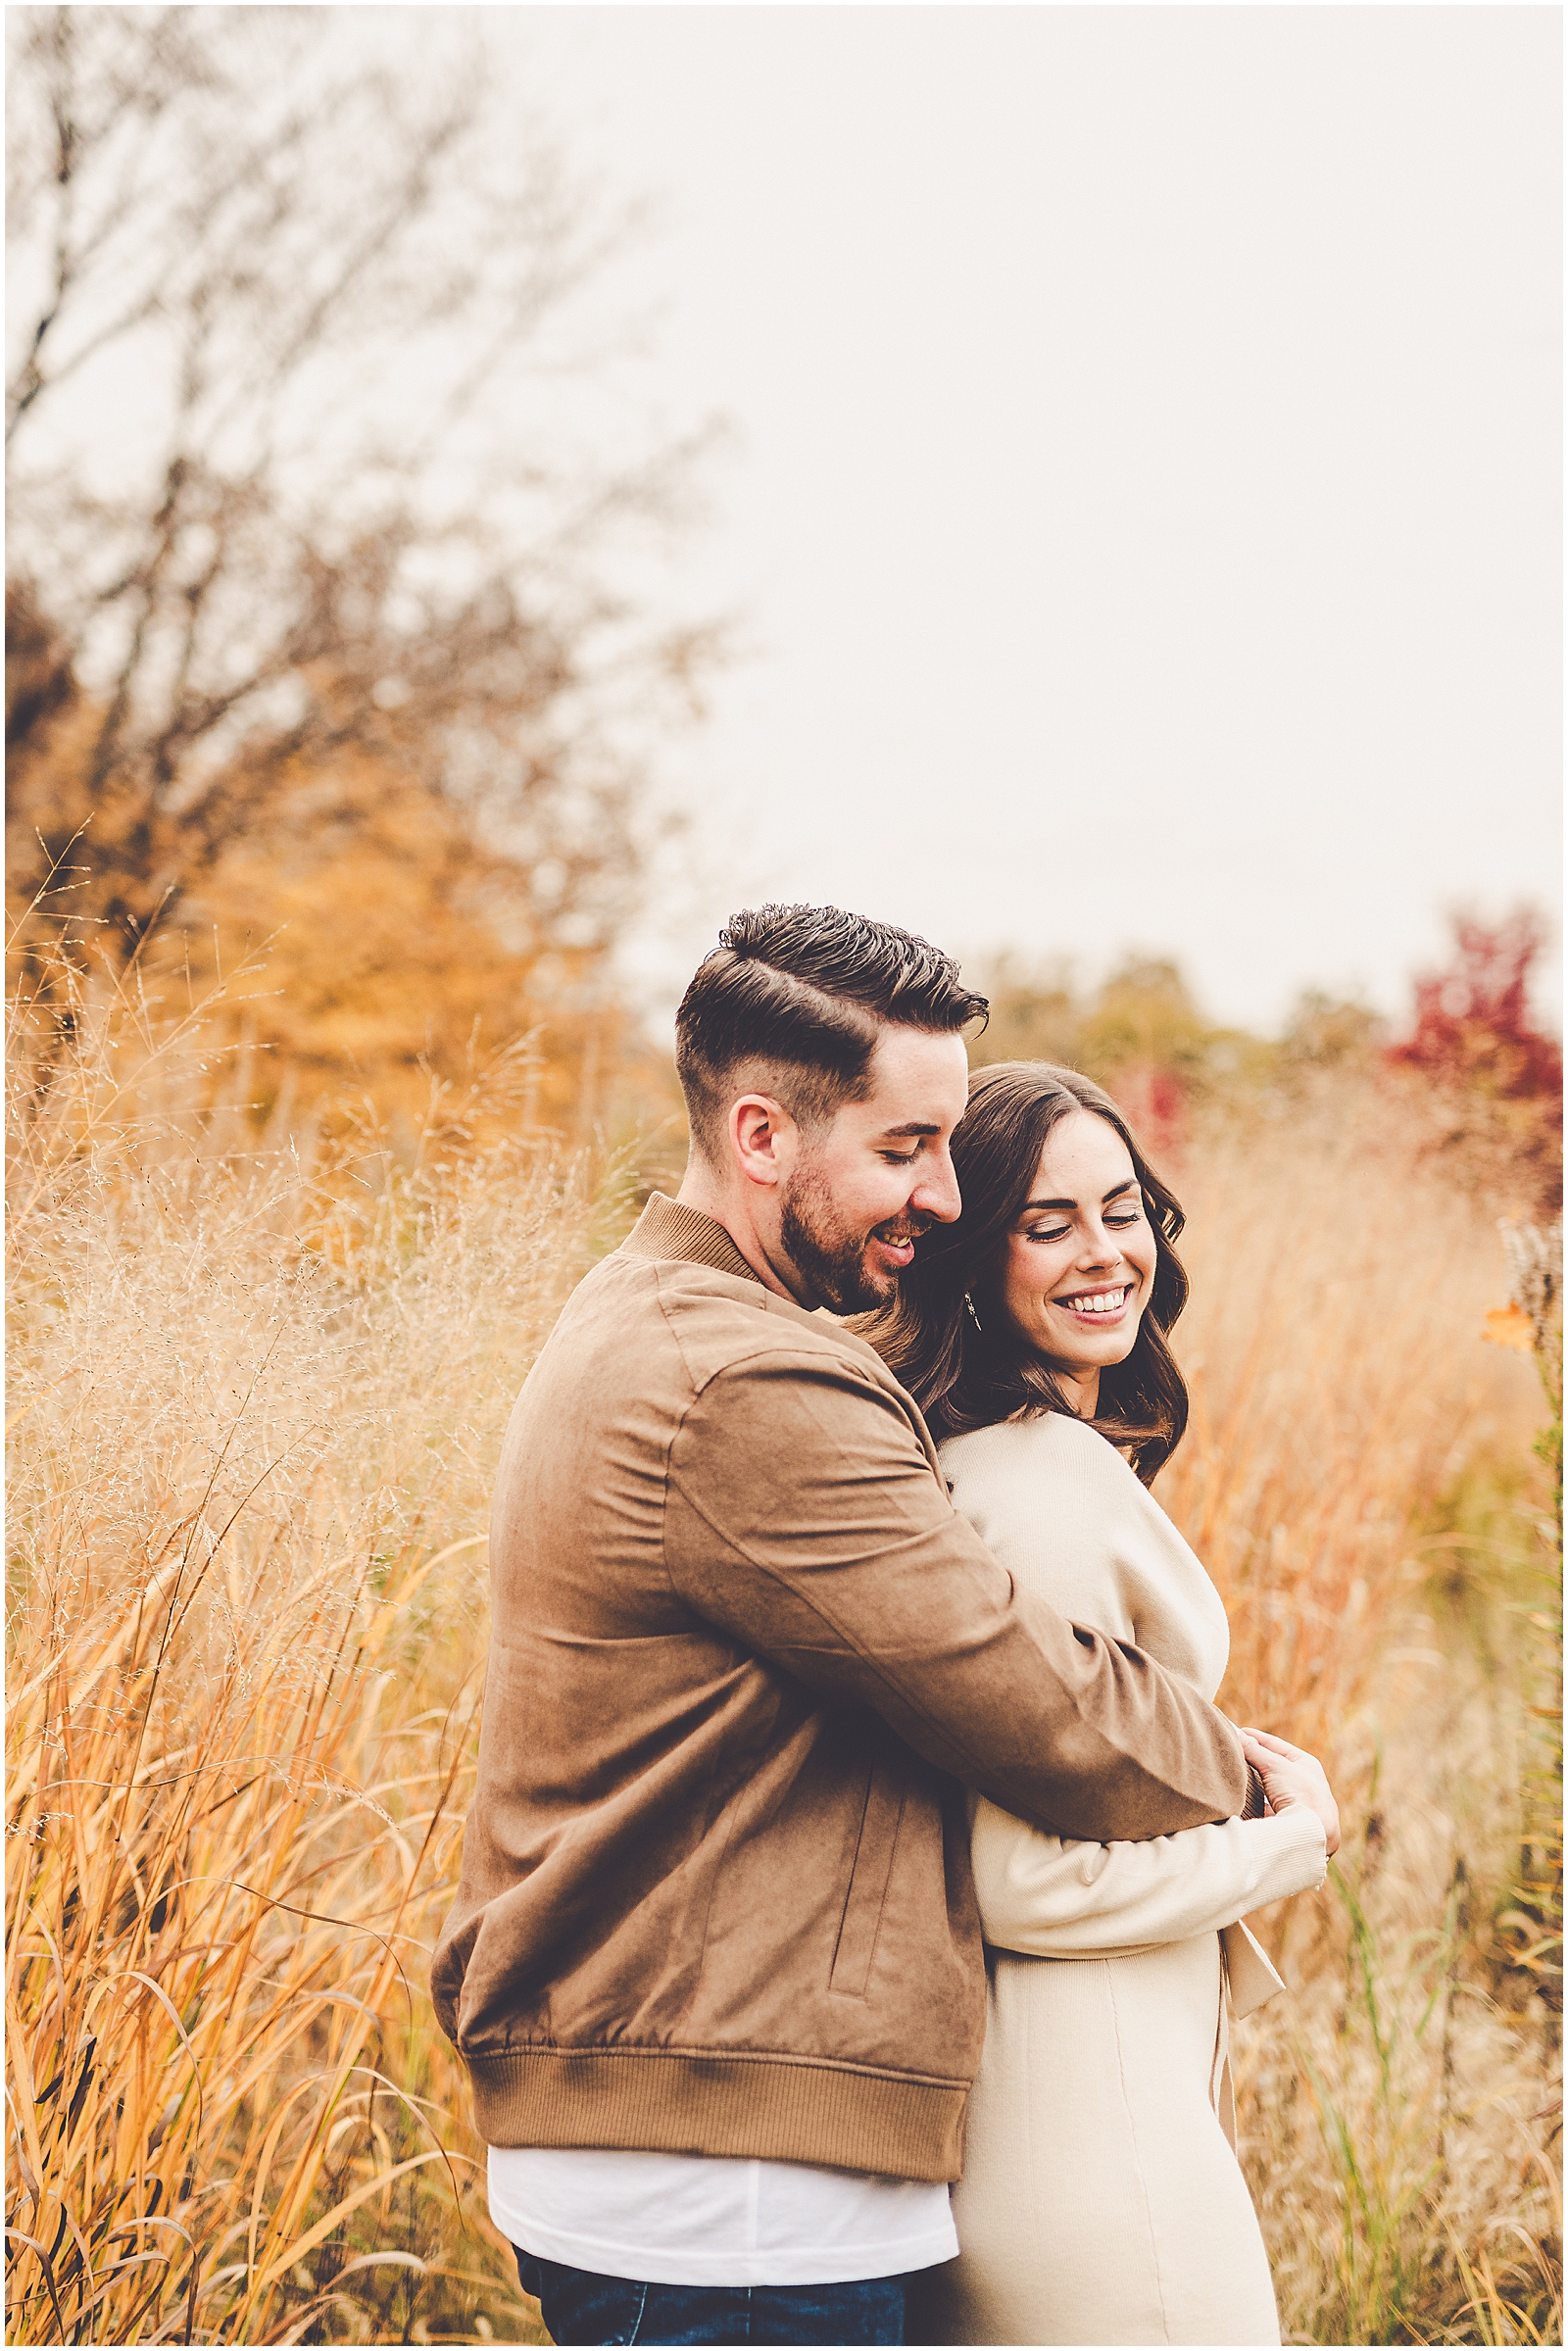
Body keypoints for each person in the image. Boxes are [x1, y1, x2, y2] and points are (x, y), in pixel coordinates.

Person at [431, 906, 1271, 2351]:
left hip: (706, 2158)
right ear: (761, 1137)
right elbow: (1037, 1703)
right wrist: (1264, 1790)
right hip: (725, 2201)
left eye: (948, 1145)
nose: (945, 1195)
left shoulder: (657, 1320)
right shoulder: (744, 1385)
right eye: (904, 1147)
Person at [862, 1060, 1340, 2347]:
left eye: (1121, 1209)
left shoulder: (1016, 1463)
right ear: (972, 1257)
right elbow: (1021, 1883)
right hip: (1096, 2150)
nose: (1104, 1254)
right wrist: (1283, 1843)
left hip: (1080, 2119)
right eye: (1047, 1222)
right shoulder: (1031, 1488)